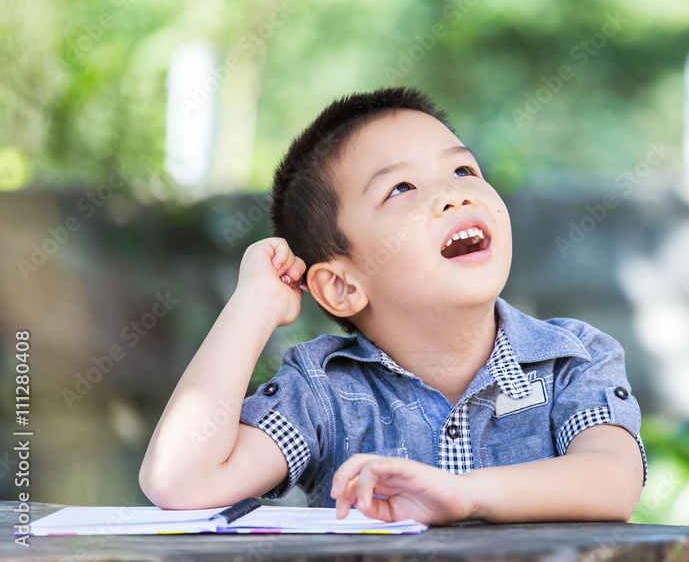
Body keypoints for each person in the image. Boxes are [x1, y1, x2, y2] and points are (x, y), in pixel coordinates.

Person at [139, 87, 645, 525]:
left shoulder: (574, 359)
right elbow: (180, 482)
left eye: (463, 169)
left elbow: (613, 480)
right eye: (401, 188)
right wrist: (253, 303)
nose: (453, 194)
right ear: (341, 286)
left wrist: (464, 496)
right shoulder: (323, 395)